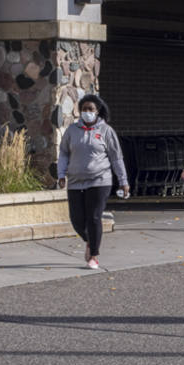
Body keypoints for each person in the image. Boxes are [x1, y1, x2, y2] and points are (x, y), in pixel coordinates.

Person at [56, 92, 128, 270]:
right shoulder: (72, 130)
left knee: (94, 217)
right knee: (77, 219)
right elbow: (64, 152)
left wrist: (123, 181)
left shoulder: (106, 131)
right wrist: (61, 174)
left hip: (100, 180)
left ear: (97, 111)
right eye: (84, 109)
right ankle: (89, 240)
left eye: (91, 109)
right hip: (75, 181)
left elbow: (116, 157)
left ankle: (94, 255)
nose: (87, 112)